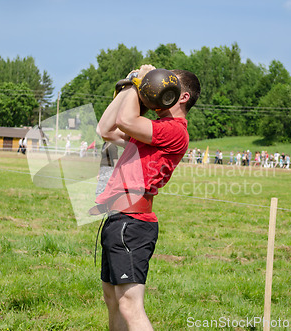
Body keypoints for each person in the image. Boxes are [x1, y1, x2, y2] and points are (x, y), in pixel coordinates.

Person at [94, 65, 200, 330]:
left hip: (133, 223)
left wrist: (140, 82)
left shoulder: (175, 130)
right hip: (118, 220)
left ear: (182, 96)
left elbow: (126, 121)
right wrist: (129, 85)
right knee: (112, 299)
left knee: (130, 305)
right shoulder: (152, 129)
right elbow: (105, 129)